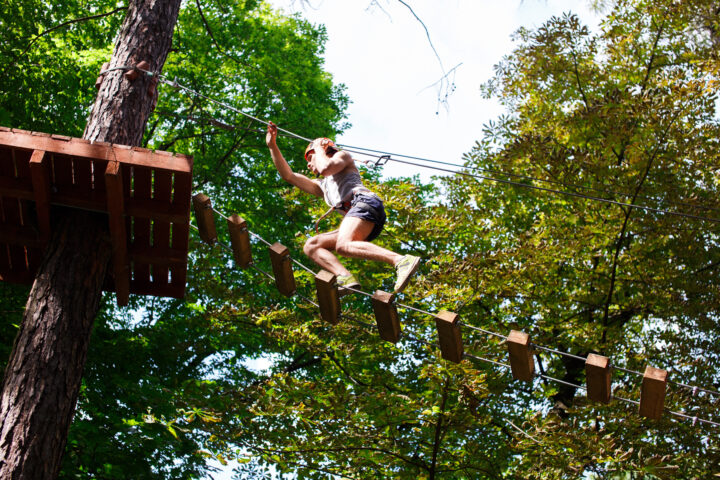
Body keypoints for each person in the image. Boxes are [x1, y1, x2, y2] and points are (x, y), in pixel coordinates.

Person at [265, 121, 420, 295]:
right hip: (361, 215)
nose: (309, 165)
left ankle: (400, 260)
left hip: (365, 204)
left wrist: (317, 148)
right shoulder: (324, 186)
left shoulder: (343, 157)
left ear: (323, 151)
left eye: (310, 159)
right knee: (312, 245)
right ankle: (344, 277)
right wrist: (272, 147)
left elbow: (326, 168)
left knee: (343, 245)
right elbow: (289, 176)